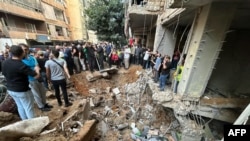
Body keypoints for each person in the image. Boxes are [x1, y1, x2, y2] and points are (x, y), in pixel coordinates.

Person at [2, 45, 39, 120]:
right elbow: (36, 76)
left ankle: (25, 122)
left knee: (20, 106)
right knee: (29, 108)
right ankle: (32, 124)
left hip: (10, 89)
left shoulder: (5, 62)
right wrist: (37, 69)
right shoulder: (21, 65)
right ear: (22, 53)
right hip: (22, 90)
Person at [20, 43, 53, 112]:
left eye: (26, 49)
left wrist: (36, 68)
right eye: (24, 50)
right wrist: (35, 68)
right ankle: (41, 106)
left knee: (43, 92)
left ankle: (44, 103)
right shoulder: (21, 61)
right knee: (36, 94)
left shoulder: (31, 57)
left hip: (38, 77)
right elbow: (32, 68)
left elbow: (37, 66)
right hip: (30, 79)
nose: (25, 51)